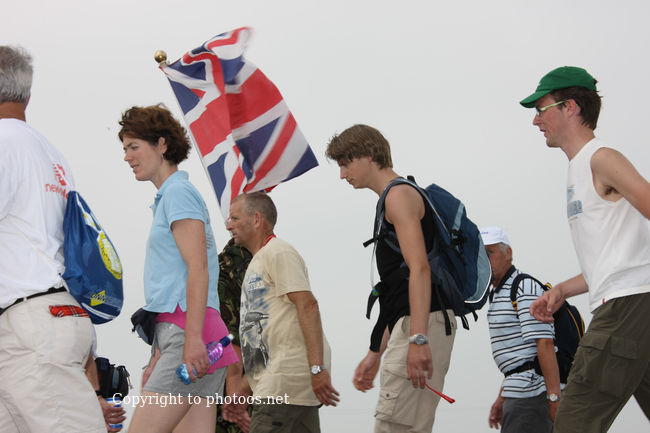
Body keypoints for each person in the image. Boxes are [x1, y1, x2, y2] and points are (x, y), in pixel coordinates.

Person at [522, 66, 650, 431]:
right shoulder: (578, 169)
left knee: (573, 423)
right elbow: (617, 255)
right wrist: (562, 290)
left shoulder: (601, 158)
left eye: (541, 109)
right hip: (632, 303)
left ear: (570, 107)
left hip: (625, 306)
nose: (535, 120)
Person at [0, 45, 107, 433]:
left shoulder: (3, 142)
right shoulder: (48, 150)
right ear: (27, 95)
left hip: (30, 324)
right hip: (51, 315)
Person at [325, 125, 456, 433]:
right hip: (413, 323)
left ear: (370, 154)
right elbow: (397, 289)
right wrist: (376, 352)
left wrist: (418, 338)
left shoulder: (398, 196)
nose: (342, 174)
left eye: (345, 163)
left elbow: (420, 270)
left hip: (422, 324)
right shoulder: (392, 198)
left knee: (395, 426)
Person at [118, 104, 238, 433]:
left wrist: (191, 340)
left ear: (162, 144)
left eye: (133, 147)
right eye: (125, 149)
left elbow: (198, 269)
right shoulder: (171, 196)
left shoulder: (177, 193)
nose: (127, 157)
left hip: (190, 334)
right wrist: (158, 354)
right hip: (196, 334)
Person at [222, 192, 339, 432]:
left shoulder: (278, 252)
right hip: (284, 387)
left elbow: (308, 305)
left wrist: (317, 368)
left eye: (235, 218)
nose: (228, 225)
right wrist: (243, 392)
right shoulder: (257, 262)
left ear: (257, 219)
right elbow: (261, 340)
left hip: (283, 386)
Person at [480, 227, 560, 432]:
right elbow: (520, 358)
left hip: (531, 394)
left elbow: (545, 343)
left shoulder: (523, 287)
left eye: (490, 252)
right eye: (480, 254)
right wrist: (502, 397)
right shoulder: (497, 293)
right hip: (520, 392)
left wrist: (554, 398)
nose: (486, 260)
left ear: (508, 253)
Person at [216, 238, 253, 433]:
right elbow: (232, 351)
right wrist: (235, 401)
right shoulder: (233, 269)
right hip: (237, 388)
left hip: (233, 386)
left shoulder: (218, 268)